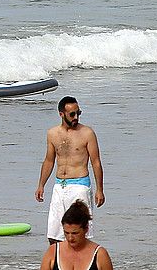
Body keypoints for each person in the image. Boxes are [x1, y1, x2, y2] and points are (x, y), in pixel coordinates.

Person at [35, 96, 105, 244]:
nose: (76, 117)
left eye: (78, 113)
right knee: (54, 235)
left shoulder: (87, 133)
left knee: (79, 233)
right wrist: (41, 185)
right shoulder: (52, 133)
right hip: (60, 185)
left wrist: (100, 189)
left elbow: (96, 162)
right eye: (72, 114)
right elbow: (49, 160)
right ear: (61, 114)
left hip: (80, 185)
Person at [38, 201, 114, 270]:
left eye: (75, 233)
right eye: (66, 233)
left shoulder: (100, 254)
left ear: (86, 229)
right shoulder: (53, 251)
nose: (70, 238)